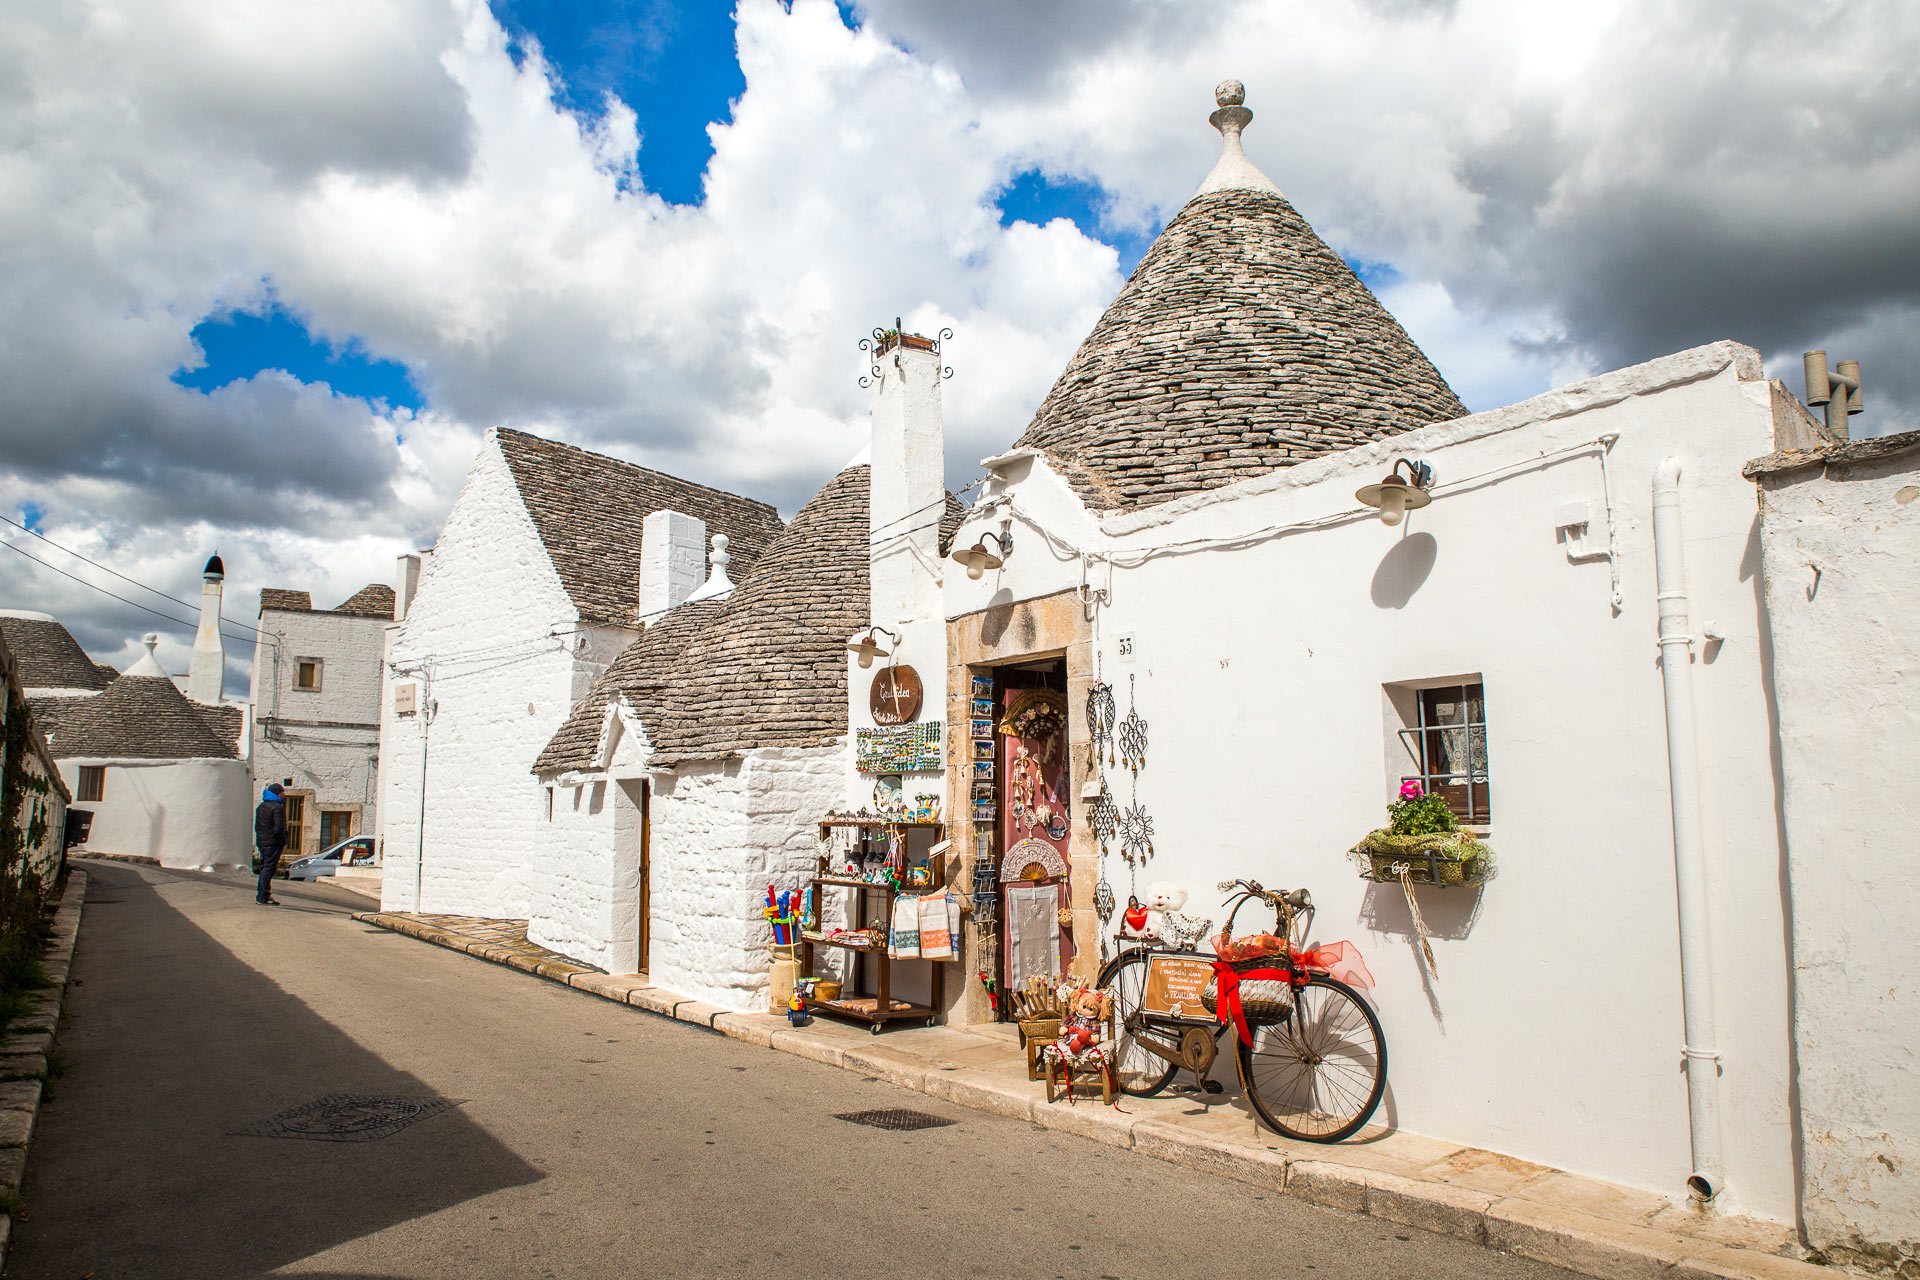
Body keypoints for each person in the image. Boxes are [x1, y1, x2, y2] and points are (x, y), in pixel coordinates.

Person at [254, 783, 288, 905]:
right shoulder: (277, 808)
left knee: (264, 868)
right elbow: (279, 828)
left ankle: (263, 894)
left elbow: (257, 826)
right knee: (269, 869)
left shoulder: (261, 806)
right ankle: (263, 896)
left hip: (262, 841)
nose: (284, 795)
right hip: (273, 843)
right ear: (277, 793)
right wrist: (282, 840)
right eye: (282, 793)